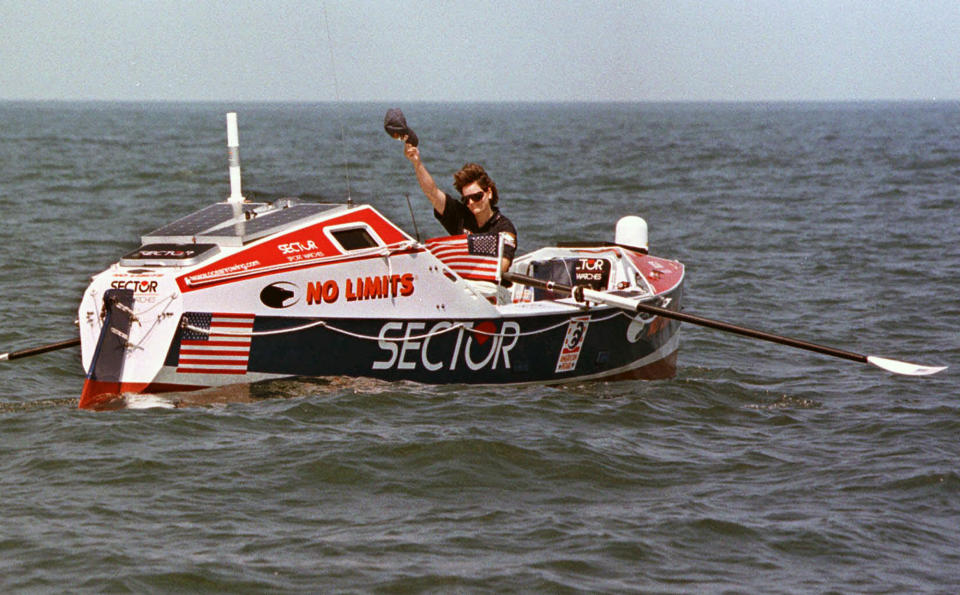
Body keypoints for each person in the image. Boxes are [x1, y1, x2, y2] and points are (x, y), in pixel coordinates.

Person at [403, 140, 517, 274]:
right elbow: (432, 193)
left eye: (477, 196)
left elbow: (502, 266)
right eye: (466, 199)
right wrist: (417, 163)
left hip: (490, 288)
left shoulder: (505, 228)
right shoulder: (461, 216)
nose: (471, 203)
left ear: (489, 193)